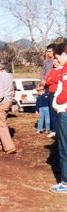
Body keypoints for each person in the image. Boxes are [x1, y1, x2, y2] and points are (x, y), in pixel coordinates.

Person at [50, 42, 67, 193]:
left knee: (64, 148)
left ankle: (65, 182)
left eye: (57, 57)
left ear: (63, 54)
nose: (57, 60)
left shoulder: (65, 70)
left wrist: (57, 103)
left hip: (65, 111)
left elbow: (64, 93)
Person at [0, 61, 16, 154]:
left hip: (2, 102)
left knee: (1, 124)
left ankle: (9, 147)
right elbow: (12, 89)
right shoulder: (8, 75)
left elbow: (0, 94)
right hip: (9, 101)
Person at [45, 58, 63, 138]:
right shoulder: (52, 70)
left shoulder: (62, 70)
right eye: (54, 62)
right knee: (52, 111)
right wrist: (52, 80)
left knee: (59, 111)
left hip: (59, 92)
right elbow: (47, 80)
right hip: (51, 92)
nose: (54, 63)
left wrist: (52, 80)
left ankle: (60, 130)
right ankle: (54, 130)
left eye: (56, 61)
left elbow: (58, 80)